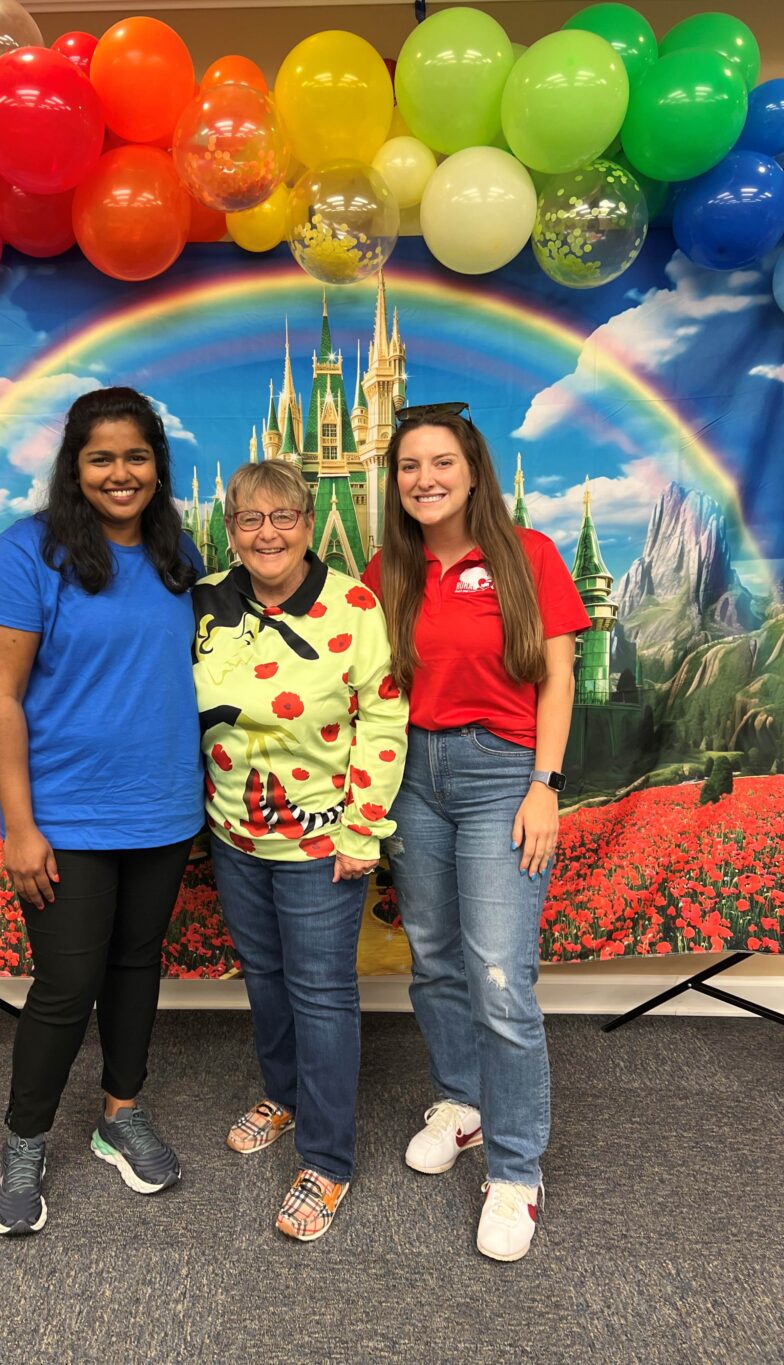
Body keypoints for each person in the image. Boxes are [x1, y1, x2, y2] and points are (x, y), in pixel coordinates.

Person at [0, 386, 204, 1236]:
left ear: (157, 465)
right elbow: (1, 698)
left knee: (136, 967)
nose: (120, 473)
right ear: (75, 464)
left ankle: (120, 1114)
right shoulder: (27, 551)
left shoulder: (175, 549)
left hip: (164, 808)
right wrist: (20, 825)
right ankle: (25, 1141)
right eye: (101, 457)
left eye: (136, 457)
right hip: (65, 815)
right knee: (67, 984)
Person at [363, 403, 589, 1263]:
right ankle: (462, 1103)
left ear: (472, 469)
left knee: (499, 971)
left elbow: (559, 676)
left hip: (502, 770)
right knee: (435, 953)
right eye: (409, 465)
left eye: (441, 462)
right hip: (412, 772)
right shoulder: (391, 567)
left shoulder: (526, 555)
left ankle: (517, 1166)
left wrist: (545, 785)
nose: (425, 478)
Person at [193, 459, 409, 1241]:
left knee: (321, 993)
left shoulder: (353, 604)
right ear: (230, 527)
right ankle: (282, 1096)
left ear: (309, 523)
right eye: (250, 518)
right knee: (267, 976)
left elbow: (383, 721)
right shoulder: (207, 601)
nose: (267, 532)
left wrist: (363, 832)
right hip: (234, 833)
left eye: (283, 516)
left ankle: (328, 1158)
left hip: (324, 842)